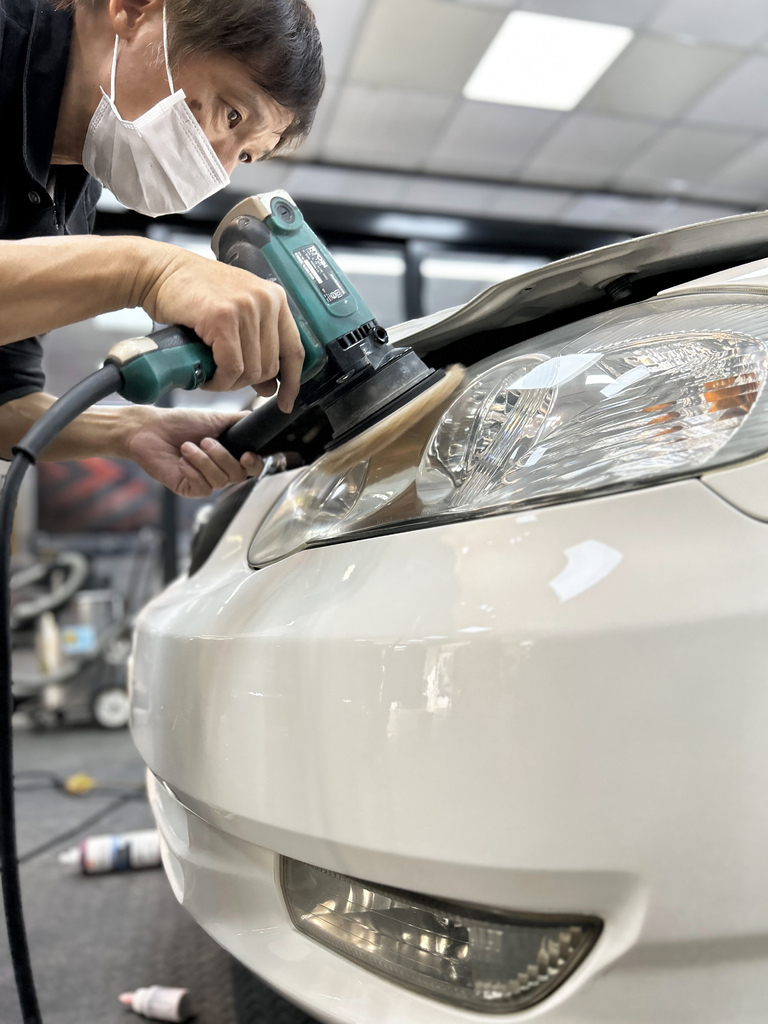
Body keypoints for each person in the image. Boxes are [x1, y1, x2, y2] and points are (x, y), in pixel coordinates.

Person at [0, 0, 325, 496]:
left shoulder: (70, 198)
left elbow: (5, 399)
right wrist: (144, 271)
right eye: (231, 112)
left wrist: (129, 430)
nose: (220, 171)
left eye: (244, 154)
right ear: (131, 11)